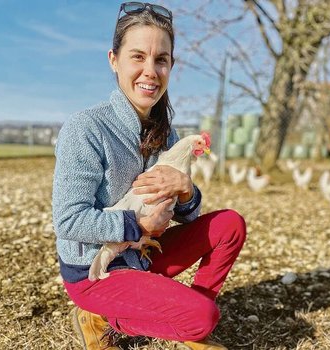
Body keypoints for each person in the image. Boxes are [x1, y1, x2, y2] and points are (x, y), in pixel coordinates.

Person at [52, 2, 246, 349]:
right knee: (202, 318)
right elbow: (68, 220)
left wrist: (186, 191)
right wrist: (137, 226)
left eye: (161, 59)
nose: (150, 71)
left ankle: (185, 315)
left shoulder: (166, 133)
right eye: (138, 56)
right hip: (97, 270)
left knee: (230, 224)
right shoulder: (86, 129)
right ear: (114, 60)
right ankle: (101, 317)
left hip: (141, 256)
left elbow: (186, 217)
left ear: (171, 65)